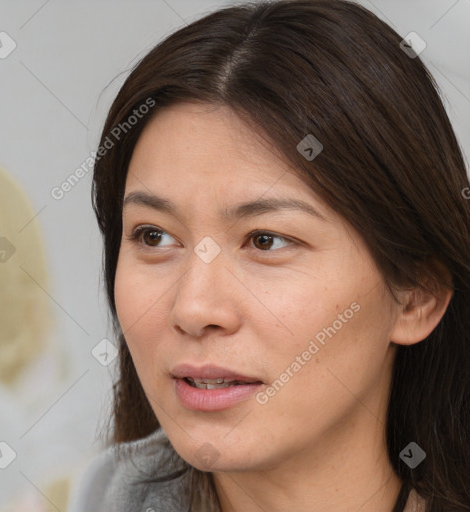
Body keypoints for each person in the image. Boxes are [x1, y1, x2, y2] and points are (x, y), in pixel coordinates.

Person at [67, 1, 470, 510]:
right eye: (154, 237)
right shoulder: (103, 496)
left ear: (417, 296)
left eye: (265, 241)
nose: (193, 309)